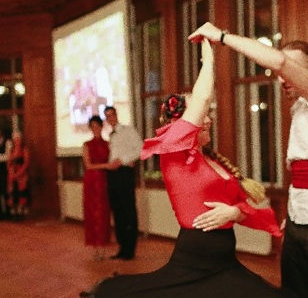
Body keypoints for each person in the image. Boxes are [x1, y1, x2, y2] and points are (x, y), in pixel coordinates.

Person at [87, 39, 283, 298]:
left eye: (208, 113)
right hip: (195, 259)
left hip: (224, 263)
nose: (209, 118)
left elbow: (243, 210)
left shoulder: (214, 162)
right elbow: (202, 97)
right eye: (203, 114)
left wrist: (234, 213)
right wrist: (209, 55)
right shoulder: (174, 150)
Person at [189, 22, 308, 298]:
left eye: (290, 71)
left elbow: (280, 62)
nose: (282, 78)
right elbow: (305, 170)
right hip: (300, 220)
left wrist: (222, 37)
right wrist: (294, 213)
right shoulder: (300, 109)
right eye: (279, 75)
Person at [102, 105, 142, 260]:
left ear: (116, 115)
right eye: (107, 116)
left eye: (112, 114)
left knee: (128, 209)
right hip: (112, 175)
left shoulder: (128, 130)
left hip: (124, 173)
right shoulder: (109, 135)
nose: (110, 118)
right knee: (117, 211)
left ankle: (130, 249)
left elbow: (140, 148)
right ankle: (122, 247)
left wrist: (123, 160)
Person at [81, 116, 111, 261]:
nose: (95, 128)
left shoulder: (108, 144)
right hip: (92, 182)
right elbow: (88, 165)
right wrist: (106, 166)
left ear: (101, 126)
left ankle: (103, 248)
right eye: (92, 126)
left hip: (104, 181)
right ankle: (95, 248)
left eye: (97, 125)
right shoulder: (86, 145)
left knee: (103, 214)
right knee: (92, 214)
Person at [7, 132, 30, 220]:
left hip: (22, 174)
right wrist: (11, 172)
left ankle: (21, 212)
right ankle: (14, 212)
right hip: (12, 173)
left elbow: (26, 163)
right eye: (15, 139)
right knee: (12, 192)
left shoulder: (24, 149)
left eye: (18, 139)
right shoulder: (11, 150)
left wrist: (19, 174)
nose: (17, 141)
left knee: (22, 192)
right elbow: (8, 163)